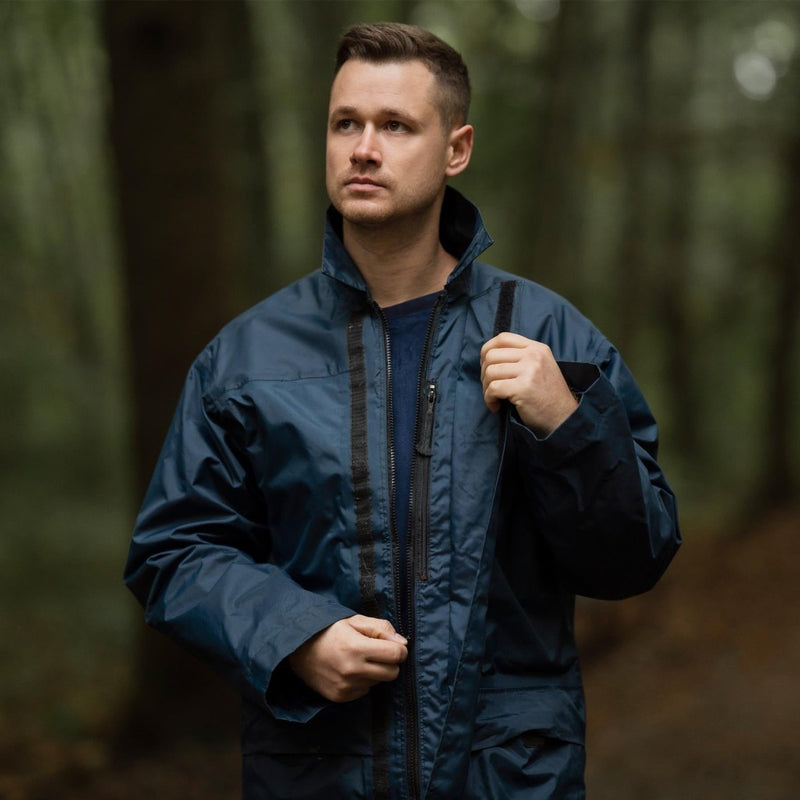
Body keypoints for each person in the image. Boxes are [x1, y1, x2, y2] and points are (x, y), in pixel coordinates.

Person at [124, 21, 680, 800]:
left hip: (507, 775)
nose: (362, 147)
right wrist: (295, 637)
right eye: (345, 123)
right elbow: (173, 552)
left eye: (394, 126)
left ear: (456, 149)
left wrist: (567, 423)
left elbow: (635, 556)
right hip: (318, 771)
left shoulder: (551, 335)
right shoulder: (245, 358)